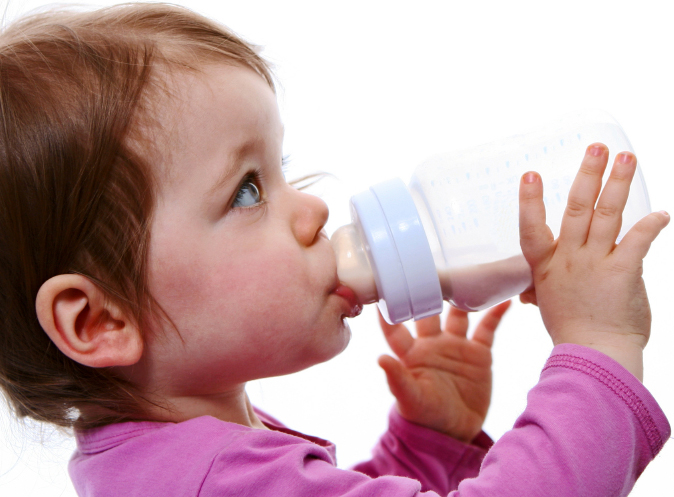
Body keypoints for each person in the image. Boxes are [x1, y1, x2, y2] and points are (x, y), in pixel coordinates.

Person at [0, 3, 669, 496]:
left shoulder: (173, 463)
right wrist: (597, 345)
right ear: (101, 321)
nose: (314, 207)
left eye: (281, 165)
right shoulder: (212, 482)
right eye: (246, 191)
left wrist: (426, 446)